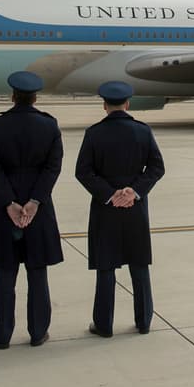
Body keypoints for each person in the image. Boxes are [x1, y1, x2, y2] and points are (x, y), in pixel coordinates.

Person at [75, 80, 165, 338]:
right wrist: (134, 191)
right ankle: (144, 321)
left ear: (104, 105)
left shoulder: (94, 133)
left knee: (106, 267)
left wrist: (109, 193)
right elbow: (157, 168)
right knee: (139, 265)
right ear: (127, 103)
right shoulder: (142, 131)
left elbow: (83, 172)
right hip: (135, 208)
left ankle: (103, 325)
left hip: (106, 210)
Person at [0, 71, 64, 349]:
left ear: (13, 96)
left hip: (5, 209)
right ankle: (38, 331)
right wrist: (35, 201)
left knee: (6, 273)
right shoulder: (49, 125)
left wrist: (8, 202)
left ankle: (2, 334)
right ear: (35, 97)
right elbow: (53, 167)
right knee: (37, 272)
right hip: (37, 209)